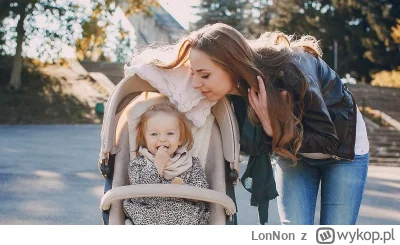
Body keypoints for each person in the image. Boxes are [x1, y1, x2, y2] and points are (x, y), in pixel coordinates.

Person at [129, 23, 370, 225]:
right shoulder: (233, 91)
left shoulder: (293, 72)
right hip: (290, 151)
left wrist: (273, 129)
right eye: (194, 73)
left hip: (341, 153)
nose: (195, 84)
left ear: (231, 66)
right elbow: (161, 72)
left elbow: (329, 140)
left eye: (204, 75)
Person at [122, 102, 210, 225]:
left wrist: (185, 191)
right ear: (145, 139)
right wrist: (158, 165)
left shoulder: (191, 163)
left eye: (170, 133)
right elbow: (139, 190)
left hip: (182, 212)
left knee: (194, 215)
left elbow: (201, 189)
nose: (162, 139)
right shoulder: (139, 163)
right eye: (154, 134)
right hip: (149, 211)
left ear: (180, 138)